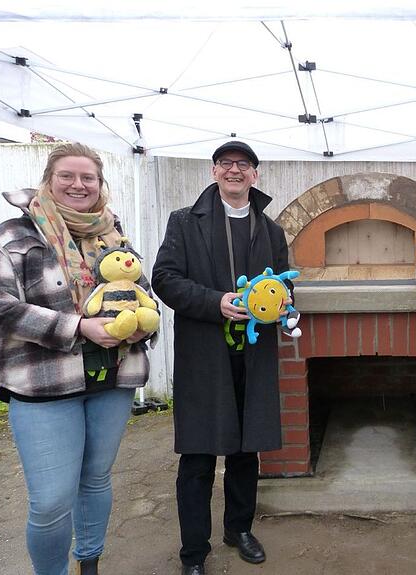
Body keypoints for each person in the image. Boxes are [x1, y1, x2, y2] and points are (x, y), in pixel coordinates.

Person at [0, 143, 154, 575]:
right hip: (44, 383)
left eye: (88, 178)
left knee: (96, 480)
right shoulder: (13, 235)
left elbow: (144, 293)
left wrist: (144, 323)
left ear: (100, 184)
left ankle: (89, 563)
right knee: (50, 501)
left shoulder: (114, 235)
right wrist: (76, 327)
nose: (78, 185)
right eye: (68, 175)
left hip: (111, 379)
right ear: (49, 179)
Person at [151, 141, 291, 575]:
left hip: (253, 353)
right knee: (198, 455)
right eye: (227, 164)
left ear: (255, 174)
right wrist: (216, 302)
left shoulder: (270, 230)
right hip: (205, 355)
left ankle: (239, 529)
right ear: (214, 171)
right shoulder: (184, 222)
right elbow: (165, 280)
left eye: (243, 164)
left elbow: (285, 288)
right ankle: (194, 551)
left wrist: (285, 307)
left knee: (246, 450)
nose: (235, 170)